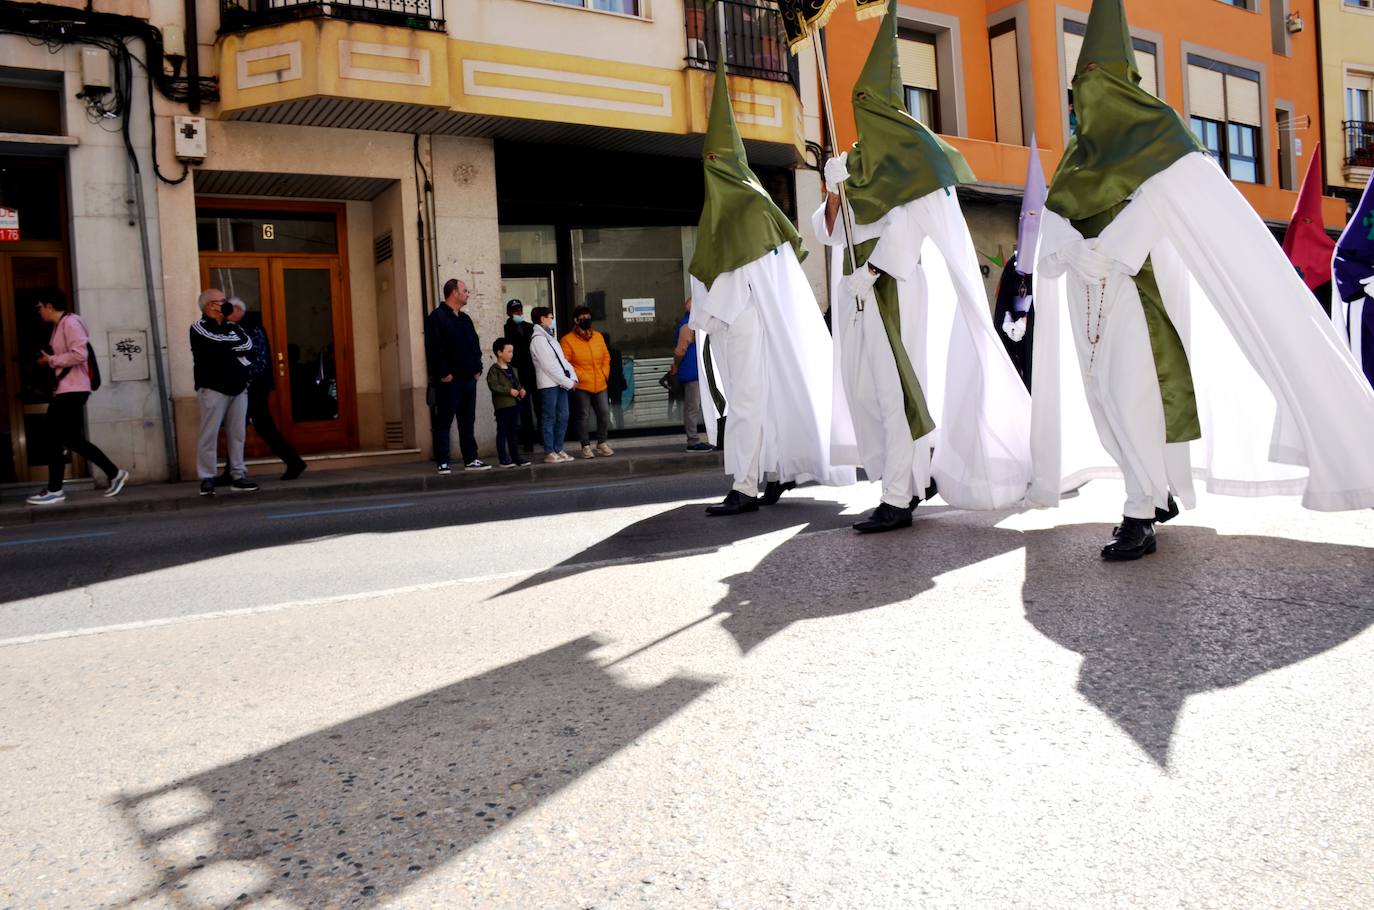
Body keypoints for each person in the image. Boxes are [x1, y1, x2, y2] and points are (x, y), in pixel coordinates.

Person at [1028, 0, 1374, 560]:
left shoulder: (1158, 136)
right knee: (1103, 399)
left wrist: (1108, 253)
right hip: (1084, 295)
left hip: (1135, 296)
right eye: (1080, 84)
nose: (1087, 95)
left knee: (1132, 394)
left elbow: (1160, 206)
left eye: (1098, 80)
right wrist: (1069, 251)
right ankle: (1152, 490)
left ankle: (1140, 509)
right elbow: (1055, 219)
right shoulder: (1075, 156)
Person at [814, 0, 1032, 533]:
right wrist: (834, 189)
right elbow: (827, 231)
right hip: (854, 283)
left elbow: (909, 226)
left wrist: (874, 272)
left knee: (896, 389)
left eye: (869, 100)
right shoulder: (857, 159)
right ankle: (910, 474)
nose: (861, 110)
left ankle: (899, 494)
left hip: (890, 284)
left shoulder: (911, 153)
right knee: (865, 386)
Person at [688, 54, 854, 516]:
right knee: (758, 399)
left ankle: (745, 485)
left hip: (744, 322)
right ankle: (775, 471)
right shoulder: (732, 208)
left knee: (746, 403)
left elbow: (741, 275)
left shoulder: (747, 207)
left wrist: (703, 317)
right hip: (735, 323)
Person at [25, 288, 129, 505]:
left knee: (53, 436)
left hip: (73, 390)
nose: (39, 311)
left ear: (50, 306)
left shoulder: (71, 322)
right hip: (66, 389)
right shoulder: (60, 325)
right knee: (71, 439)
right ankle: (114, 473)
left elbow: (79, 355)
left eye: (40, 307)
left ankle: (55, 489)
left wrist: (51, 361)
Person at [221, 297, 306, 482]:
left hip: (253, 386)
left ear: (236, 309)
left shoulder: (250, 328)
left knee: (248, 426)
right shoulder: (246, 326)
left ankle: (293, 462)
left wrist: (247, 380)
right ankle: (293, 462)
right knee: (248, 426)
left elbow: (255, 358)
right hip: (252, 385)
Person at [190, 288, 259, 497]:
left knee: (237, 434)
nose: (225, 304)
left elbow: (248, 345)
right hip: (213, 388)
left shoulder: (232, 326)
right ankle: (207, 477)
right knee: (209, 435)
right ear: (209, 305)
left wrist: (228, 348)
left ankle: (237, 475)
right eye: (221, 301)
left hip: (238, 388)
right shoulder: (198, 327)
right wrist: (231, 347)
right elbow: (213, 345)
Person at [425, 278, 489, 473]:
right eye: (465, 290)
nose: (468, 293)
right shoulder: (436, 317)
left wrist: (478, 367)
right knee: (444, 420)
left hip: (469, 378)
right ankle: (443, 461)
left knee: (467, 420)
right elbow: (435, 348)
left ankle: (471, 459)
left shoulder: (465, 319)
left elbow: (475, 345)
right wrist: (444, 373)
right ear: (454, 292)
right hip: (449, 380)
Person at [559, 304, 614, 459]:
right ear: (576, 320)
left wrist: (604, 373)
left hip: (600, 383)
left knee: (604, 412)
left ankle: (602, 442)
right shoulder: (567, 340)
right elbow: (566, 363)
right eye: (583, 318)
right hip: (582, 384)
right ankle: (585, 446)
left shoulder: (598, 336)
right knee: (583, 415)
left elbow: (606, 357)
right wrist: (580, 376)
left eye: (588, 317)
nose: (586, 320)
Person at [529, 306, 576, 463]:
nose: (553, 320)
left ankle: (558, 448)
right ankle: (549, 451)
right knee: (549, 416)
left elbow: (562, 361)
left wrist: (573, 377)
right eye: (551, 317)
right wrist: (568, 382)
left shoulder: (551, 338)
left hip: (561, 383)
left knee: (564, 415)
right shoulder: (538, 340)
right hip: (549, 385)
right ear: (542, 319)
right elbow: (549, 366)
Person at [670, 298, 712, 453]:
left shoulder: (692, 324)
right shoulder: (689, 326)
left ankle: (697, 438)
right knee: (692, 407)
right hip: (693, 371)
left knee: (694, 406)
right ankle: (693, 441)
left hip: (695, 370)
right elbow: (680, 351)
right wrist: (675, 365)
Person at [486, 337, 530, 468]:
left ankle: (515, 457)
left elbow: (516, 383)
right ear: (499, 352)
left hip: (514, 404)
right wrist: (508, 391)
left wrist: (521, 389)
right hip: (503, 406)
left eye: (512, 351)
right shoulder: (494, 370)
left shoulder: (512, 369)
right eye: (509, 351)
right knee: (503, 432)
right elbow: (493, 385)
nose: (511, 354)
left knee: (513, 432)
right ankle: (503, 458)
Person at [503, 298, 539, 451]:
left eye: (519, 310)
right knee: (523, 410)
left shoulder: (530, 327)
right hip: (518, 374)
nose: (518, 313)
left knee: (539, 406)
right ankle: (528, 443)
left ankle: (543, 439)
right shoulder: (505, 329)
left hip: (533, 372)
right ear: (508, 313)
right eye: (514, 311)